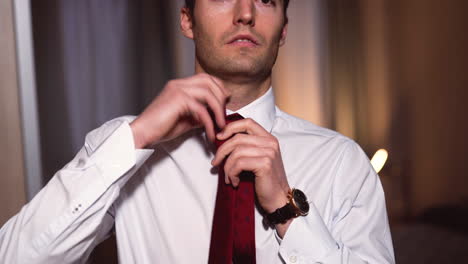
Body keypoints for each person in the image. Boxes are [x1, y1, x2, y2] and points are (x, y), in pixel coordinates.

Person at [0, 0, 395, 263]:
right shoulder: (123, 147)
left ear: (284, 30)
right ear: (186, 19)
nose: (245, 14)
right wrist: (136, 137)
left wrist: (285, 208)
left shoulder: (343, 163)